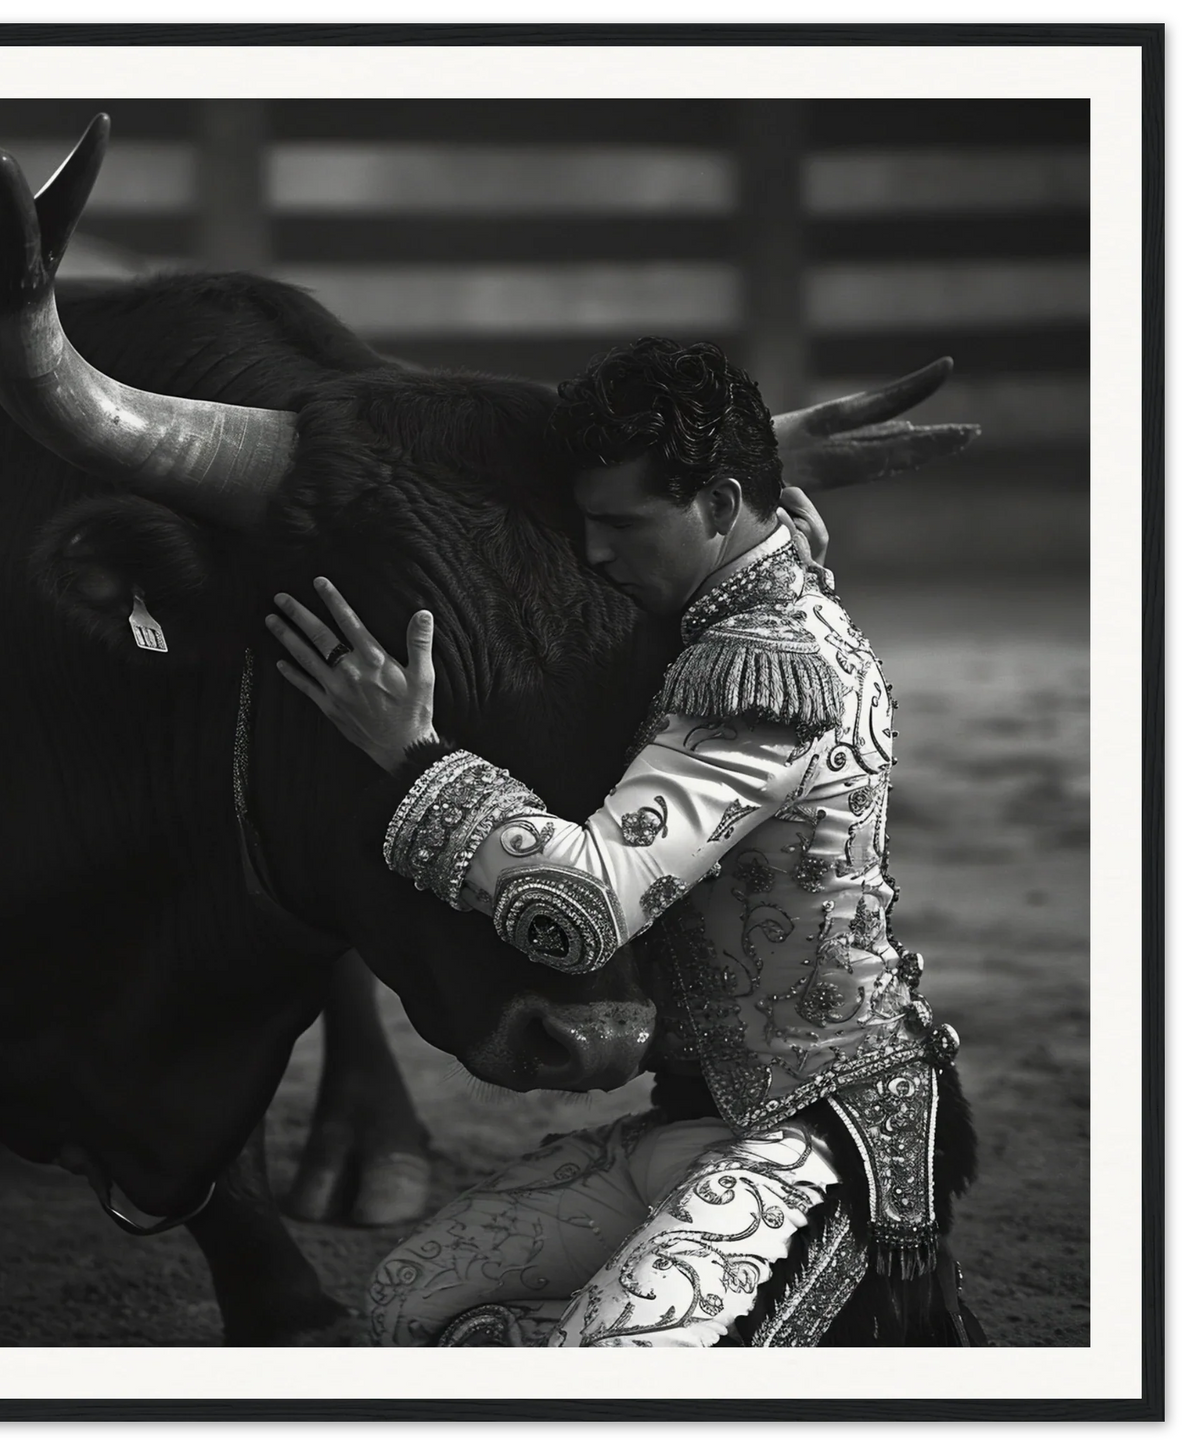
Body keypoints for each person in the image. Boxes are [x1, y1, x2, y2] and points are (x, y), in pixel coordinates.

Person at [264, 337, 981, 1348]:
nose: (595, 554)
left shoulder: (760, 670)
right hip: (694, 1119)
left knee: (600, 1365)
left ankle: (827, 1309)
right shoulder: (734, 598)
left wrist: (410, 752)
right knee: (407, 1300)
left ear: (721, 504)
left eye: (620, 526)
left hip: (821, 1135)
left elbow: (588, 908)